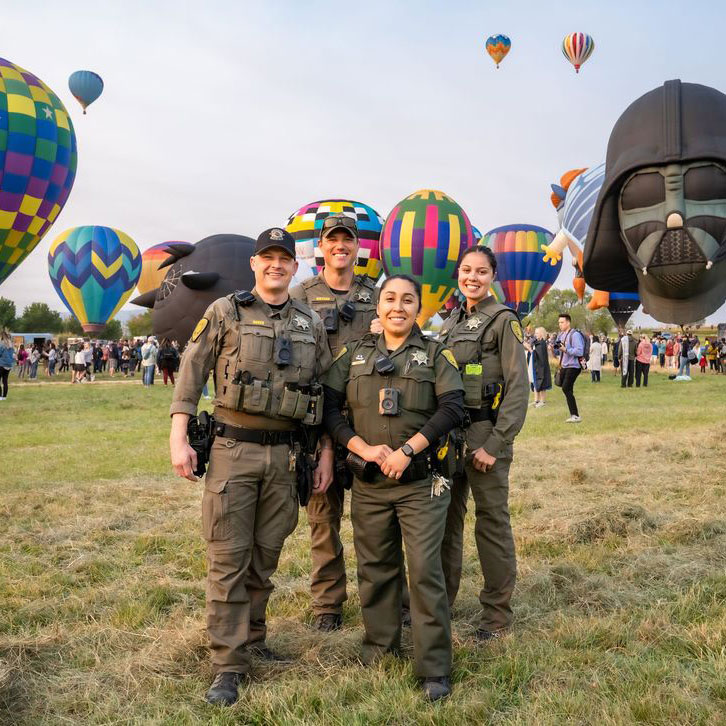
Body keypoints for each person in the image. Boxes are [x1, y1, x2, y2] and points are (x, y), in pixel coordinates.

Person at [169, 228, 332, 707]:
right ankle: (227, 665)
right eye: (268, 258)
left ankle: (254, 638)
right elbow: (191, 374)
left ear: (294, 268)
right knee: (228, 560)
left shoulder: (311, 322)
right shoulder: (225, 311)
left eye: (285, 259)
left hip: (286, 457)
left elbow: (325, 394)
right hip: (232, 452)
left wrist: (323, 452)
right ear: (255, 265)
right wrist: (179, 436)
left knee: (266, 555)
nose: (276, 265)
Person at [323, 274, 465, 702]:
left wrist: (407, 449)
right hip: (368, 483)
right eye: (389, 299)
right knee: (375, 568)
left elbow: (453, 408)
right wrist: (360, 446)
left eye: (407, 300)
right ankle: (380, 649)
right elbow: (329, 408)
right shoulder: (352, 355)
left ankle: (434, 667)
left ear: (418, 308)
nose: (398, 307)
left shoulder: (437, 354)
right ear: (378, 307)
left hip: (420, 482)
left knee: (424, 571)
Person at [289, 213, 380, 632]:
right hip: (315, 422)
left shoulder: (375, 296)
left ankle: (382, 599)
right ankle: (327, 604)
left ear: (357, 247)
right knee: (322, 517)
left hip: (367, 422)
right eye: (332, 240)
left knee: (373, 519)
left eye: (347, 239)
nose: (340, 246)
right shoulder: (300, 294)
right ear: (321, 247)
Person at [437, 246, 528, 644]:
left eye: (481, 271)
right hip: (448, 438)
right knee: (444, 524)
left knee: (490, 525)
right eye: (466, 270)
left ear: (493, 276)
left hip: (484, 436)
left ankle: (495, 615)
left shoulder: (502, 321)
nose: (472, 277)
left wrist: (495, 443)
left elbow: (518, 388)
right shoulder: (449, 322)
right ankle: (440, 603)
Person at [555, 314, 585, 422]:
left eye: (562, 322)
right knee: (566, 387)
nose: (560, 325)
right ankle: (574, 415)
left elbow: (579, 351)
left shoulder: (575, 335)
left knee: (565, 388)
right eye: (559, 322)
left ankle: (575, 415)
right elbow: (559, 348)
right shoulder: (561, 335)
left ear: (568, 322)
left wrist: (566, 349)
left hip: (574, 366)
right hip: (564, 365)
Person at [527, 326, 551, 406]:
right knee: (535, 382)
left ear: (541, 334)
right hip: (534, 364)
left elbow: (539, 355)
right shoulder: (536, 342)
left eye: (537, 333)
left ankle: (542, 401)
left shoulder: (542, 343)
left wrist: (530, 350)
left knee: (542, 383)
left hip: (541, 366)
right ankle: (536, 400)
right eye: (535, 333)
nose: (535, 334)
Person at [0, 330, 13, 400]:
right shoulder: (11, 344)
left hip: (2, 364)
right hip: (9, 365)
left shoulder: (1, 344)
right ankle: (4, 397)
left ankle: (0, 396)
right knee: (5, 381)